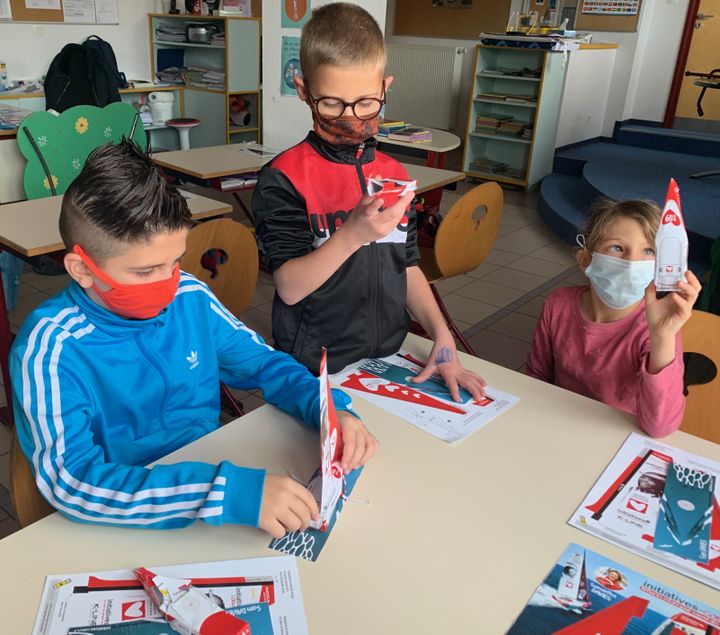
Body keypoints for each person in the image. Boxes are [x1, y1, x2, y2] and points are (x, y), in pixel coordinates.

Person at [9, 140, 378, 539]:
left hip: (209, 485)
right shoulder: (50, 348)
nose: (169, 284)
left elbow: (264, 363)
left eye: (175, 262)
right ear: (82, 268)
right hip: (129, 512)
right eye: (146, 272)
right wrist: (223, 493)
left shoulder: (188, 296)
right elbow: (72, 482)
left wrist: (326, 409)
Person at [252, 2, 485, 402]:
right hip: (314, 365)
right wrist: (352, 235)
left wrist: (442, 335)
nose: (350, 119)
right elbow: (289, 287)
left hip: (386, 354)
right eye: (331, 104)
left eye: (365, 104)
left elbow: (407, 264)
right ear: (304, 91)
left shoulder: (394, 173)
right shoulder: (284, 178)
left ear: (384, 89)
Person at [526, 198, 701, 438]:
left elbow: (660, 427)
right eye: (617, 248)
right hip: (558, 428)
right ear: (585, 260)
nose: (631, 263)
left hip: (621, 438)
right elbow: (535, 379)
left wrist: (662, 336)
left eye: (648, 251)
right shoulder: (558, 304)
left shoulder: (655, 327)